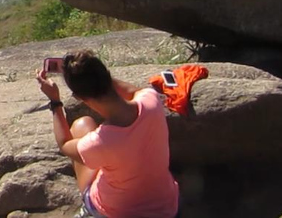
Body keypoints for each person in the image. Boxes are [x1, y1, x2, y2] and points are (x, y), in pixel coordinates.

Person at [36, 51, 179, 218]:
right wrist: (93, 73)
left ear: (80, 97)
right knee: (86, 125)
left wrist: (55, 102)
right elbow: (132, 91)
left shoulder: (101, 142)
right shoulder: (151, 101)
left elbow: (64, 144)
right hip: (167, 209)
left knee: (80, 126)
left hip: (115, 212)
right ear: (106, 76)